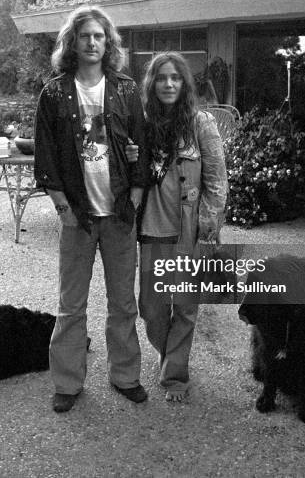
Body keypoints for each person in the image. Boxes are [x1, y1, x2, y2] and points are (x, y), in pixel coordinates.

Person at [34, 5, 149, 413]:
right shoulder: (54, 92)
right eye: (85, 36)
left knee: (123, 303)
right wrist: (62, 206)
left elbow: (142, 145)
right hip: (78, 217)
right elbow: (45, 154)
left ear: (108, 42)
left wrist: (135, 195)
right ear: (73, 42)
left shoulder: (126, 90)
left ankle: (125, 375)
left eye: (99, 36)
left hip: (118, 214)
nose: (93, 42)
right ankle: (67, 381)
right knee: (71, 305)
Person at [131, 52, 228, 402]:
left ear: (184, 83)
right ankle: (167, 350)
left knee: (186, 305)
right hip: (152, 227)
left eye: (175, 77)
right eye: (161, 78)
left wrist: (210, 227)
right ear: (152, 83)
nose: (169, 84)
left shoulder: (201, 123)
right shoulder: (140, 123)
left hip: (189, 227)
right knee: (152, 308)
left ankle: (174, 376)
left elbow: (217, 180)